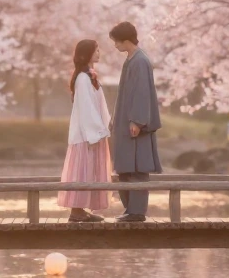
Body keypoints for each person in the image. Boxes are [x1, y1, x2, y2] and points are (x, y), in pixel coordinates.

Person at [109, 21, 161, 222]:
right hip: (125, 123)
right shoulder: (131, 59)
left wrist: (137, 121)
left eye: (117, 41)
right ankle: (130, 209)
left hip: (134, 124)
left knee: (137, 166)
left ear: (126, 39)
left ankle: (137, 212)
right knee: (125, 166)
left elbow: (141, 93)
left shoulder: (140, 61)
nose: (115, 46)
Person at [59, 39, 110, 222]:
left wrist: (105, 124)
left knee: (87, 171)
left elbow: (98, 104)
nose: (99, 53)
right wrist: (97, 130)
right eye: (96, 50)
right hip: (86, 135)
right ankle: (76, 210)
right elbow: (87, 107)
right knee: (82, 171)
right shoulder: (82, 78)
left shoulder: (89, 76)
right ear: (87, 53)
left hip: (91, 133)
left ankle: (80, 210)